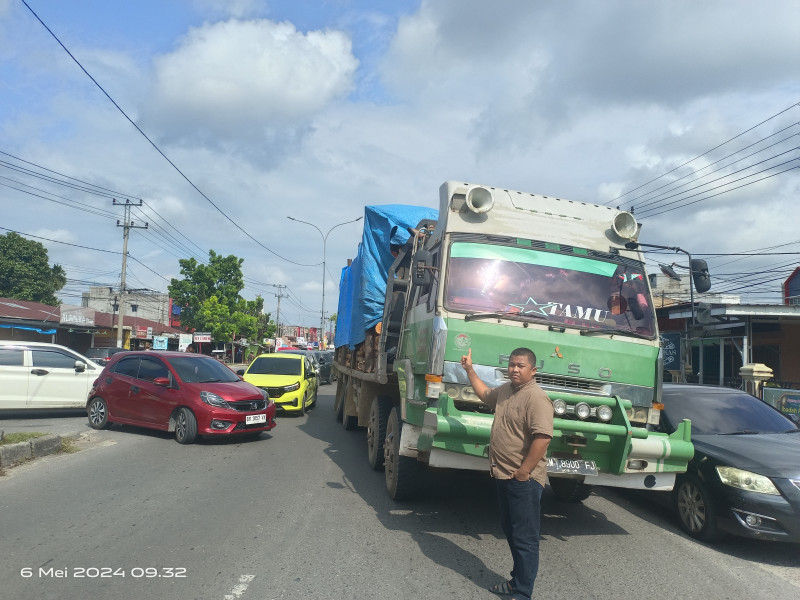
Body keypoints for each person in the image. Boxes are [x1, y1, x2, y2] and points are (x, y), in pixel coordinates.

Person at [460, 347, 553, 600]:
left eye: (521, 366)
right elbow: (484, 393)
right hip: (502, 475)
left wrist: (524, 471)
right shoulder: (505, 391)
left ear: (533, 370)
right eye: (512, 364)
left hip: (523, 480)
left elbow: (543, 438)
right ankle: (516, 582)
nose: (514, 369)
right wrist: (470, 370)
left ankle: (522, 592)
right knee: (512, 532)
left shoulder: (536, 398)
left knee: (525, 538)